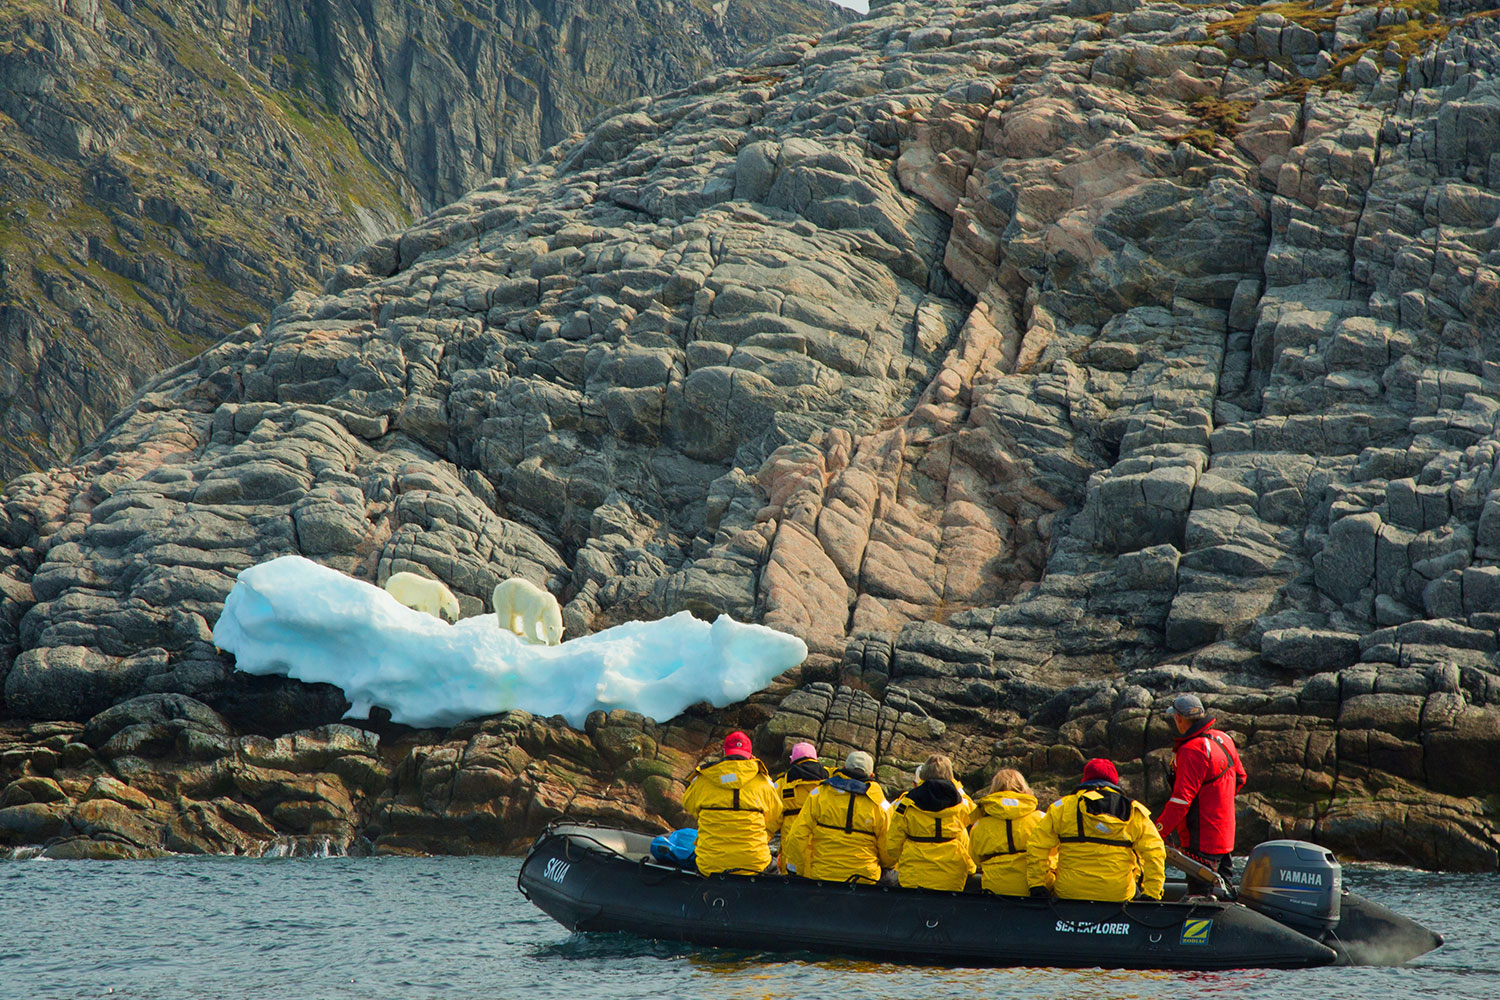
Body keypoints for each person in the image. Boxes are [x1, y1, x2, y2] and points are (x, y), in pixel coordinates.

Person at [1026, 758, 1165, 903]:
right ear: (1114, 782)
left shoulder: (1061, 808)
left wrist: (1037, 885)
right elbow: (1155, 851)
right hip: (1118, 894)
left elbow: (1037, 845)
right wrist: (1152, 893)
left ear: (1085, 779)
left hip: (1070, 892)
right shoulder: (1134, 811)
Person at [1155, 693, 1247, 894]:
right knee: (1224, 891)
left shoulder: (1192, 750)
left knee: (1202, 895)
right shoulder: (1224, 739)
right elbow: (1240, 778)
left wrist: (1157, 831)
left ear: (1179, 719)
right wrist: (1217, 802)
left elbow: (1181, 801)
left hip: (1201, 837)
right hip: (1225, 834)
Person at [682, 730, 783, 876]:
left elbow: (688, 805)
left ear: (724, 752)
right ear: (750, 754)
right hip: (754, 863)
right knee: (775, 871)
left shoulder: (702, 779)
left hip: (710, 865)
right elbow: (776, 816)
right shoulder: (764, 782)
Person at [781, 750, 891, 882]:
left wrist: (794, 869)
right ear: (872, 775)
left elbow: (797, 835)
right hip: (864, 880)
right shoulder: (881, 805)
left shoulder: (819, 794)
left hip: (823, 876)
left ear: (843, 768)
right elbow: (888, 848)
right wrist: (885, 867)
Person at [885, 754, 975, 891]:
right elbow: (979, 828)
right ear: (950, 775)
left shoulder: (906, 805)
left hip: (913, 875)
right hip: (952, 876)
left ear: (924, 773)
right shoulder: (963, 804)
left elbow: (892, 846)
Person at [969, 768, 1053, 896]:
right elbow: (1054, 854)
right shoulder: (1041, 818)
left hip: (995, 888)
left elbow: (975, 859)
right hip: (1034, 888)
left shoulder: (979, 825)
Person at [774, 741, 832, 825]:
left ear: (792, 760)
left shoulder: (783, 782)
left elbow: (774, 816)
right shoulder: (830, 778)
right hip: (821, 834)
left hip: (791, 835)